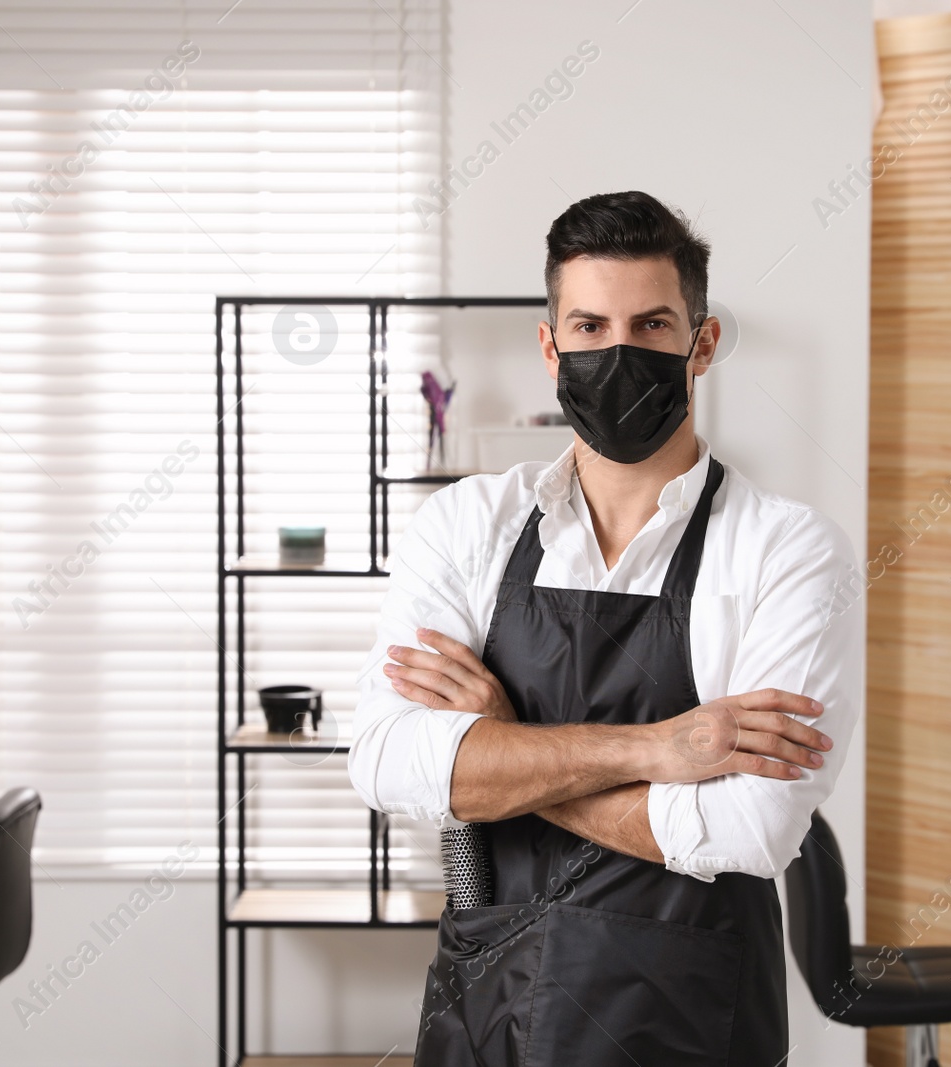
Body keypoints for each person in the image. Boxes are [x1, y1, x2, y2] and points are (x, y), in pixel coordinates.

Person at [348, 190, 861, 1065]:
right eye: (588, 326)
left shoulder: (788, 549)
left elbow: (751, 829)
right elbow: (391, 764)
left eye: (652, 325)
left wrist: (504, 747)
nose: (617, 352)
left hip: (690, 1020)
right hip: (490, 1007)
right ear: (551, 346)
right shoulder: (467, 525)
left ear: (703, 344)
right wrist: (656, 749)